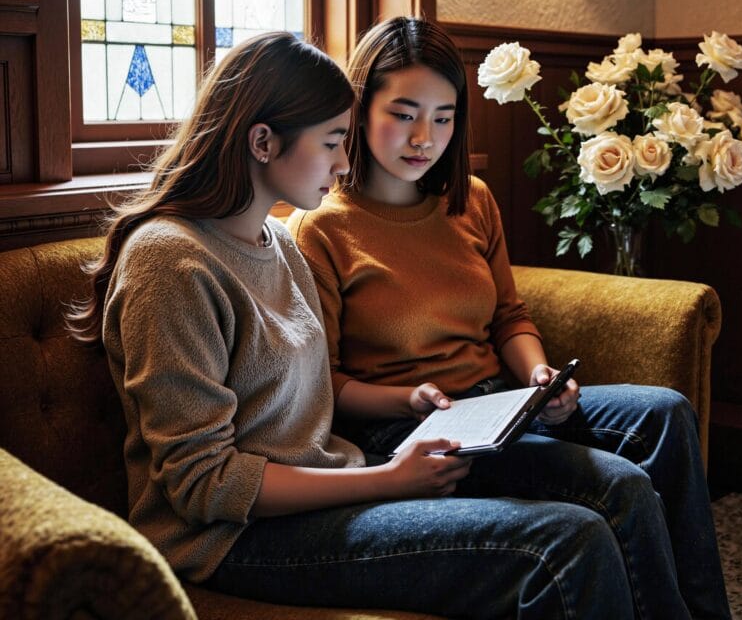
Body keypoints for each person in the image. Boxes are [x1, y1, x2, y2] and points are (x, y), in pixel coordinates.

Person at [67, 31, 641, 619]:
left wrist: (404, 414)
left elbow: (314, 405)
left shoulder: (279, 247)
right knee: (565, 542)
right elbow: (205, 484)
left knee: (589, 516)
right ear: (263, 141)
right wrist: (388, 481)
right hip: (230, 539)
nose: (345, 162)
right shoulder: (170, 260)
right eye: (333, 141)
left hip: (331, 491)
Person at [288, 17, 732, 620]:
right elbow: (327, 385)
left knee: (666, 413)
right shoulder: (321, 228)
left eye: (443, 118)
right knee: (618, 486)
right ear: (361, 108)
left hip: (501, 401)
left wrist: (539, 376)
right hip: (413, 433)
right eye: (404, 113)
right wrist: (407, 399)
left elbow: (508, 317)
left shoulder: (471, 200)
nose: (424, 137)